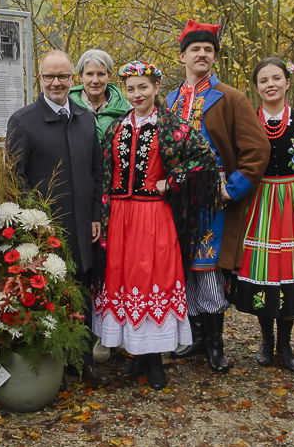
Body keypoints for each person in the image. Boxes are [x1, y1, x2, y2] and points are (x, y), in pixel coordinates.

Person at [94, 60, 220, 389]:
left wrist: (173, 180)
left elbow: (204, 158)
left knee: (153, 278)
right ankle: (137, 356)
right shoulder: (116, 127)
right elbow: (104, 175)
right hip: (120, 217)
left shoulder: (171, 125)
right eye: (131, 88)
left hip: (154, 215)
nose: (137, 94)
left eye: (143, 87)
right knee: (124, 280)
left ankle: (155, 360)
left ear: (156, 88)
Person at [165, 20, 270, 373]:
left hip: (213, 201)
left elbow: (257, 150)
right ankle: (194, 337)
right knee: (185, 269)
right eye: (195, 49)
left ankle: (215, 344)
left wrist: (231, 188)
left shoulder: (230, 97)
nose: (202, 54)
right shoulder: (169, 99)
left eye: (208, 50)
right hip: (176, 200)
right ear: (182, 55)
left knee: (207, 269)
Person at [6, 50, 105, 385]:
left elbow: (97, 171)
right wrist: (31, 223)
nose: (56, 83)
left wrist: (95, 215)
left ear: (72, 79)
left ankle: (84, 360)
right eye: (50, 76)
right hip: (45, 229)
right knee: (48, 294)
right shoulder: (24, 120)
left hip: (83, 226)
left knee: (83, 293)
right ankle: (54, 366)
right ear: (40, 78)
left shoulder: (84, 118)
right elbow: (16, 177)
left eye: (63, 76)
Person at [230, 58, 294, 371]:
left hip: (293, 201)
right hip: (259, 201)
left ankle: (285, 343)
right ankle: (265, 340)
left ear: (288, 82)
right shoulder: (247, 120)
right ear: (256, 87)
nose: (270, 84)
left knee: (290, 273)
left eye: (276, 78)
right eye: (264, 80)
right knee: (264, 272)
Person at [69, 49, 131, 137]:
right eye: (90, 74)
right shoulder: (67, 107)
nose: (95, 80)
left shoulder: (126, 108)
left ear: (109, 76)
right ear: (80, 77)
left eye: (101, 74)